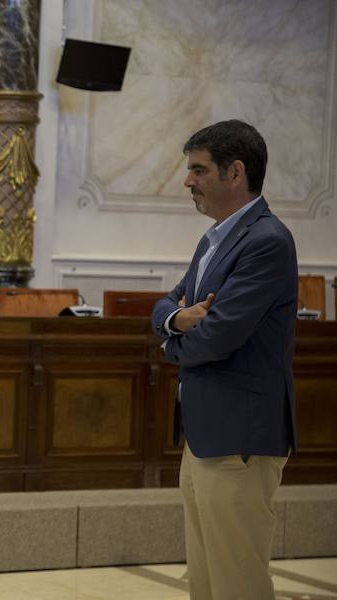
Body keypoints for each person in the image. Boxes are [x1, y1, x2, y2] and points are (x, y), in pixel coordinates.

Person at [152, 120, 298, 600]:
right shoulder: (214, 239)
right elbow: (165, 305)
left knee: (238, 583)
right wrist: (176, 321)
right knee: (207, 582)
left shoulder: (267, 241)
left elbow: (218, 337)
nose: (188, 181)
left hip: (240, 441)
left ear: (234, 173)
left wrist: (172, 338)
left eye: (198, 170)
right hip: (205, 434)